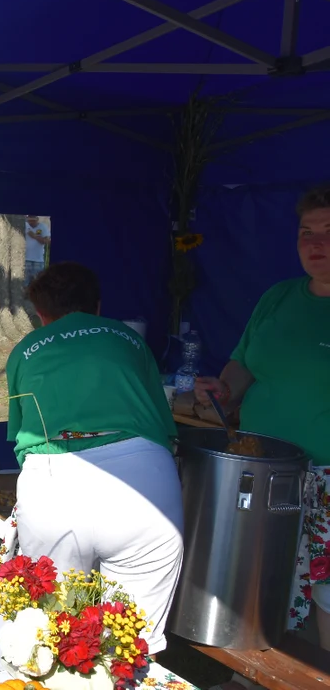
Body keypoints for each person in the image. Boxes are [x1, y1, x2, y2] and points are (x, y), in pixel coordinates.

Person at [6, 262, 181, 655]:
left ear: (40, 315)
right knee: (131, 647)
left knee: (53, 637)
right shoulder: (130, 339)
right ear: (98, 306)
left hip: (54, 483)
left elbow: (22, 439)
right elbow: (166, 427)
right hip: (144, 485)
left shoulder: (24, 352)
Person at [195, 187, 330, 646]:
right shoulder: (278, 297)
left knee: (317, 591)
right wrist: (224, 389)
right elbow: (244, 366)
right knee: (256, 577)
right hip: (258, 466)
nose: (316, 245)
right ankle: (249, 675)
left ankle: (307, 671)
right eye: (306, 233)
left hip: (323, 480)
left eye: (329, 233)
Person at [24, 215, 51, 285]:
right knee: (24, 283)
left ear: (37, 219)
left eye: (33, 221)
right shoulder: (24, 225)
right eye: (29, 220)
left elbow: (47, 241)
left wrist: (35, 236)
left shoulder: (42, 227)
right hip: (25, 259)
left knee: (37, 283)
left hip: (38, 261)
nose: (31, 222)